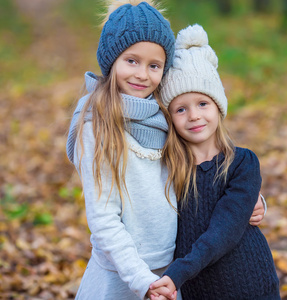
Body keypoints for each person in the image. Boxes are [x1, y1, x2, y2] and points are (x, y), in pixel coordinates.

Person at [65, 1, 265, 299]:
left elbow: (205, 172)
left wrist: (253, 198)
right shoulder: (97, 125)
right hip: (123, 275)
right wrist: (141, 280)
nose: (142, 74)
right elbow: (104, 219)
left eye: (154, 66)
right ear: (111, 60)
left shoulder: (163, 116)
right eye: (131, 61)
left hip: (171, 273)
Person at [149, 24, 280, 300]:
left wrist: (177, 273)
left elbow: (225, 228)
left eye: (203, 104)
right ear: (169, 118)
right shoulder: (170, 169)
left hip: (250, 287)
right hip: (200, 290)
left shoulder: (242, 163)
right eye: (181, 109)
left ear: (218, 107)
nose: (194, 116)